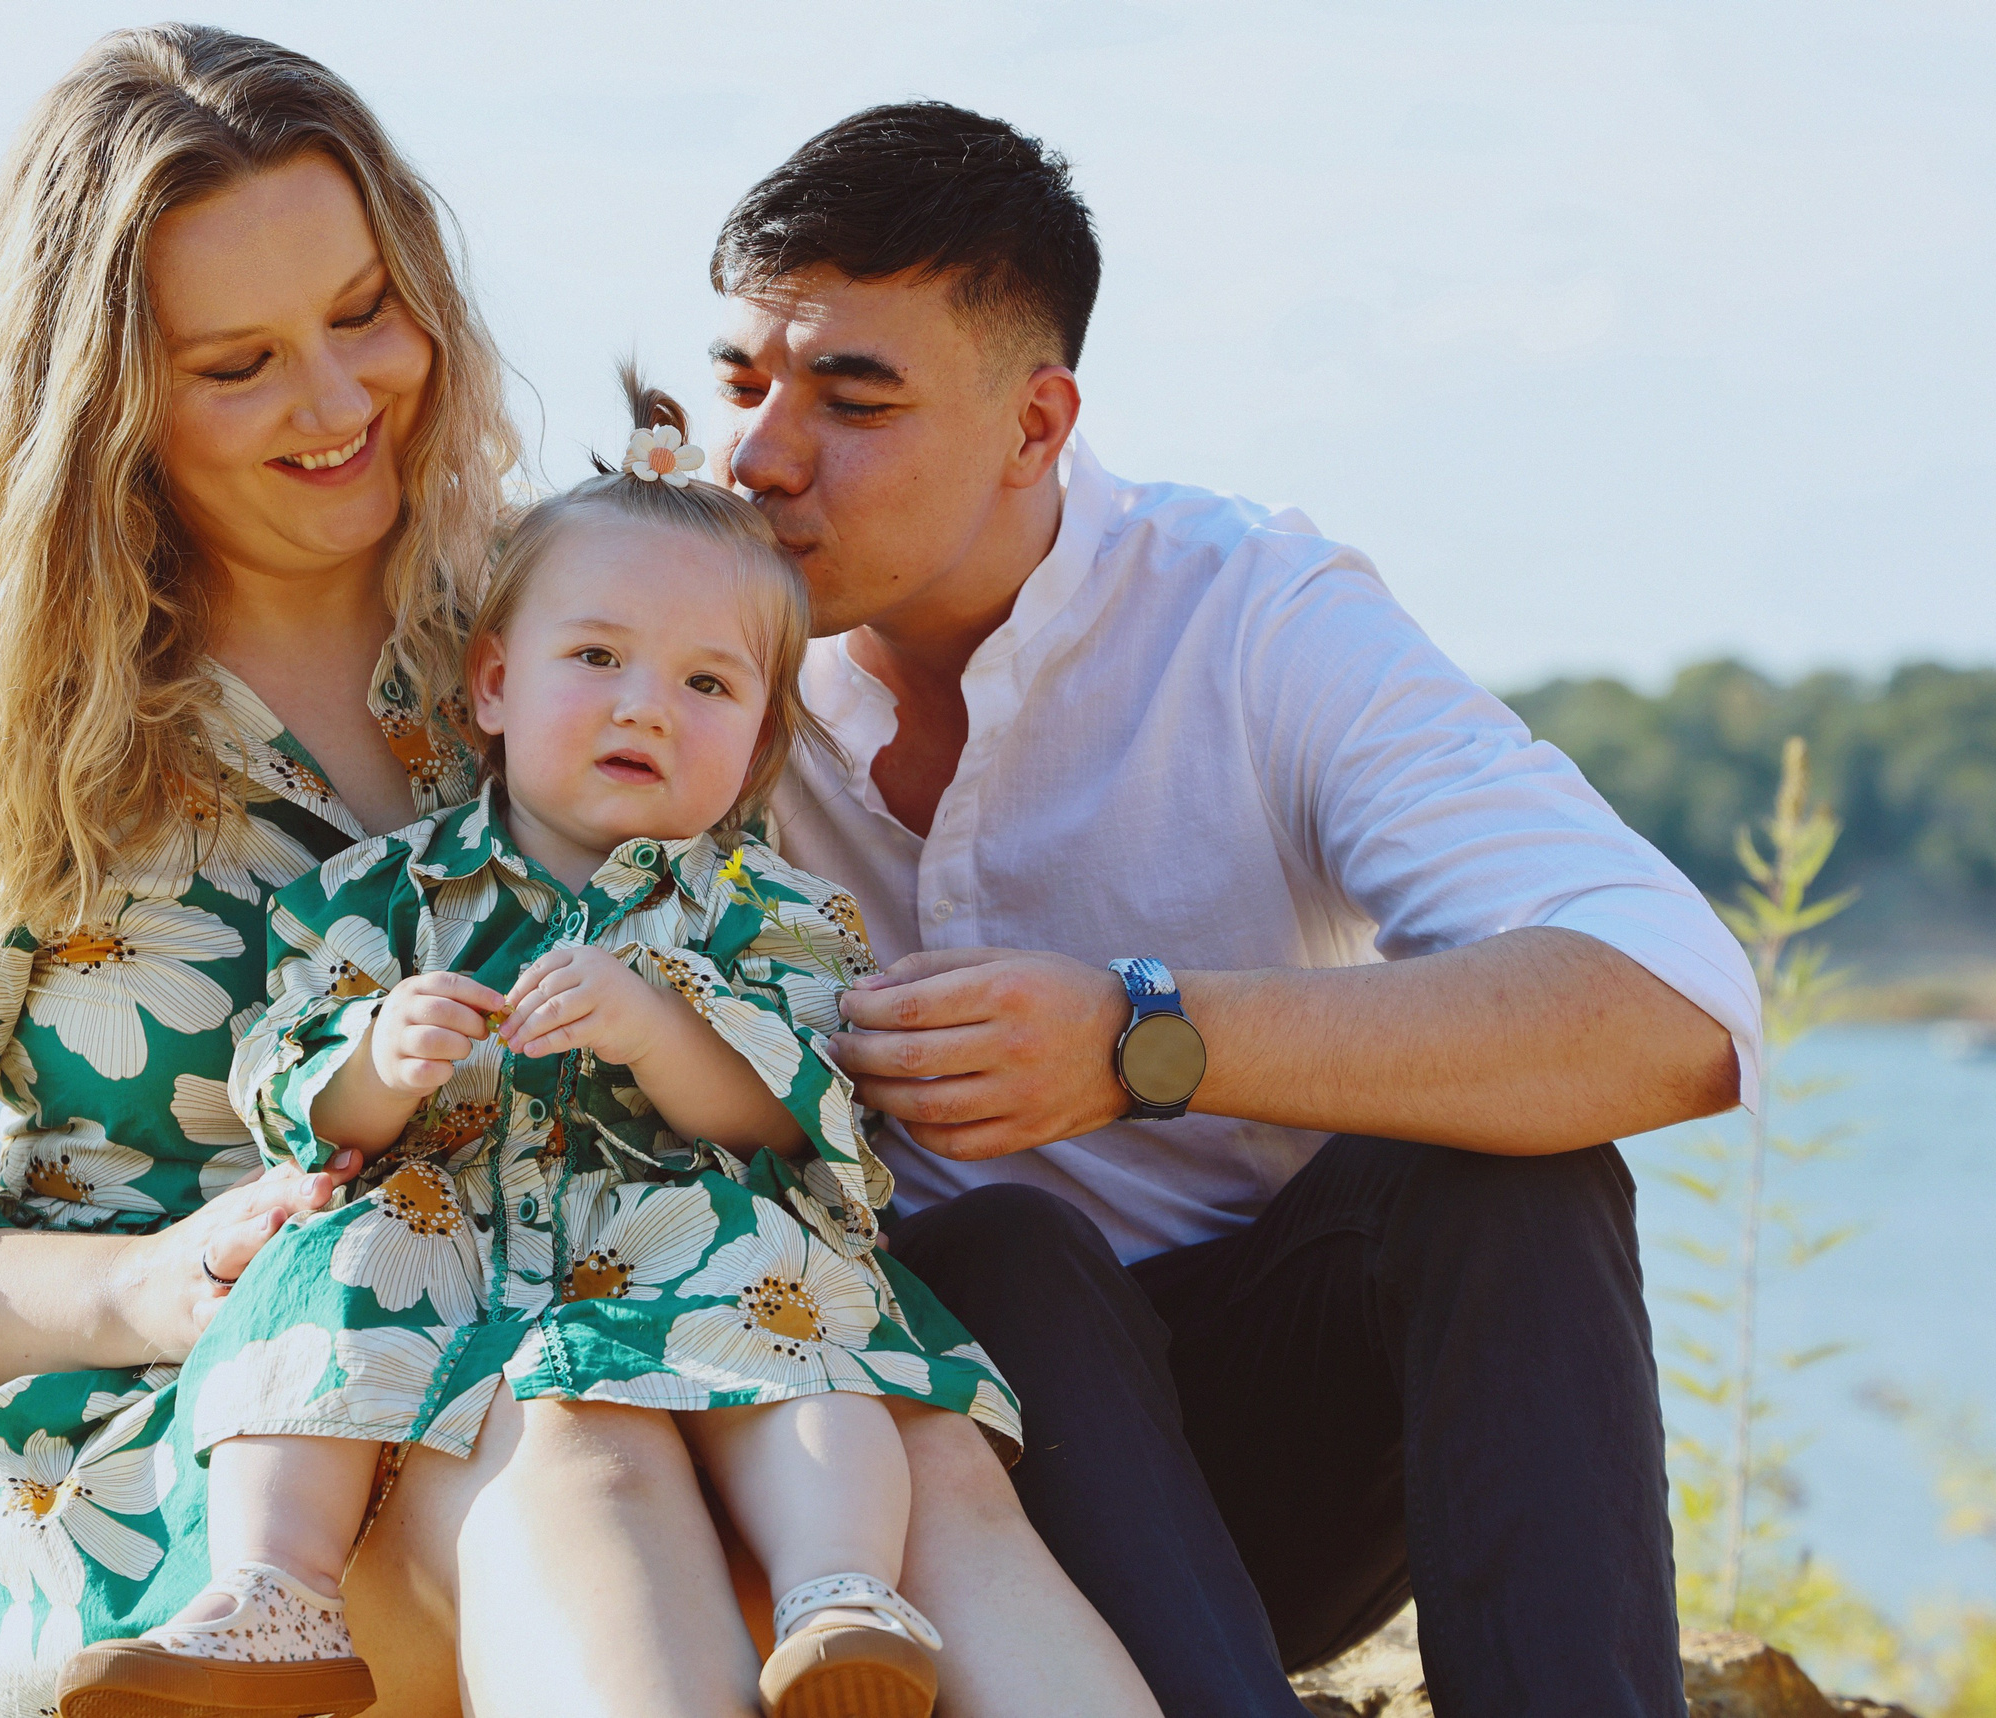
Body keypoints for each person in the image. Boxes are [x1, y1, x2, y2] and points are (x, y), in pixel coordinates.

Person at [0, 29, 1150, 1718]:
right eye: (240, 364)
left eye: (366, 311)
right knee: (562, 1434)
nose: (340, 400)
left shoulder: (566, 610)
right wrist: (140, 1285)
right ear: (103, 399)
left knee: (905, 1440)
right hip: (227, 1450)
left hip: (625, 1298)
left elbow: (749, 964)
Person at [706, 103, 1762, 1718]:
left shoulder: (1252, 615)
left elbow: (1672, 1010)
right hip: (921, 1491)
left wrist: (1146, 1036)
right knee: (992, 1244)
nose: (762, 455)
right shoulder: (656, 648)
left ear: (1035, 423)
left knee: (1500, 1183)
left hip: (1285, 1454)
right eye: (739, 384)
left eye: (854, 398)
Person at [56, 376, 1020, 1718]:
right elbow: (286, 1079)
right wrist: (378, 1059)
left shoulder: (776, 909)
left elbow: (795, 1105)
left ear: (752, 748)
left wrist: (655, 1025)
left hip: (684, 1230)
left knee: (806, 1336)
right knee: (313, 1276)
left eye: (705, 682)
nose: (646, 708)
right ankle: (273, 1589)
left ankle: (839, 1590)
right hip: (444, 1236)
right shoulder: (383, 895)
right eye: (597, 659)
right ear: (497, 683)